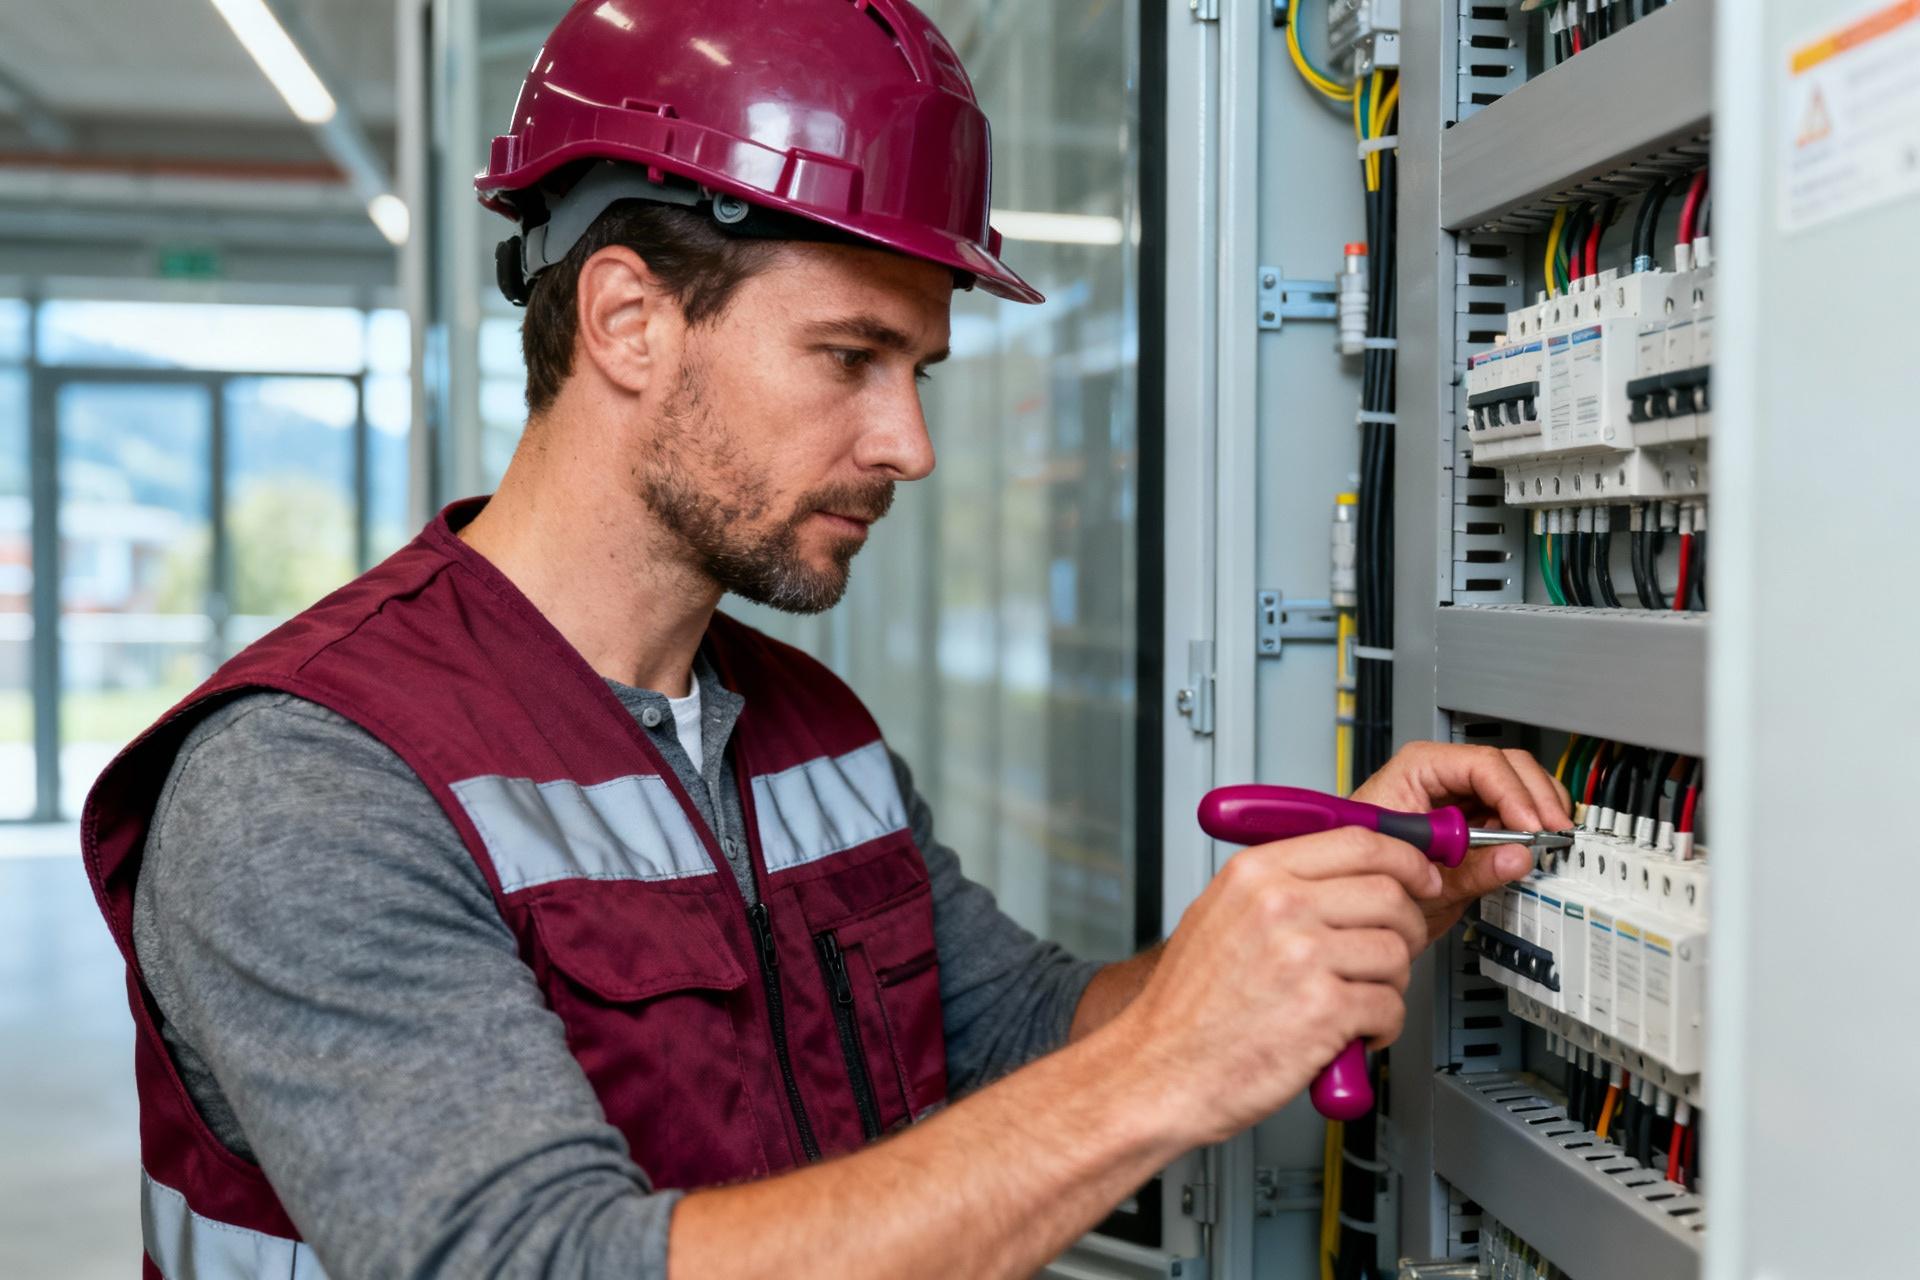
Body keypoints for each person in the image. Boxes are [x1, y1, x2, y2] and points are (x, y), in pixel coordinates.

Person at [83, 2, 1572, 1277]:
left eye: (916, 367)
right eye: (849, 358)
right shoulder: (309, 781)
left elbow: (1030, 1031)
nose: (910, 443)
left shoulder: (805, 728)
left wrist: (1317, 922)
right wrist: (1160, 1069)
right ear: (626, 320)